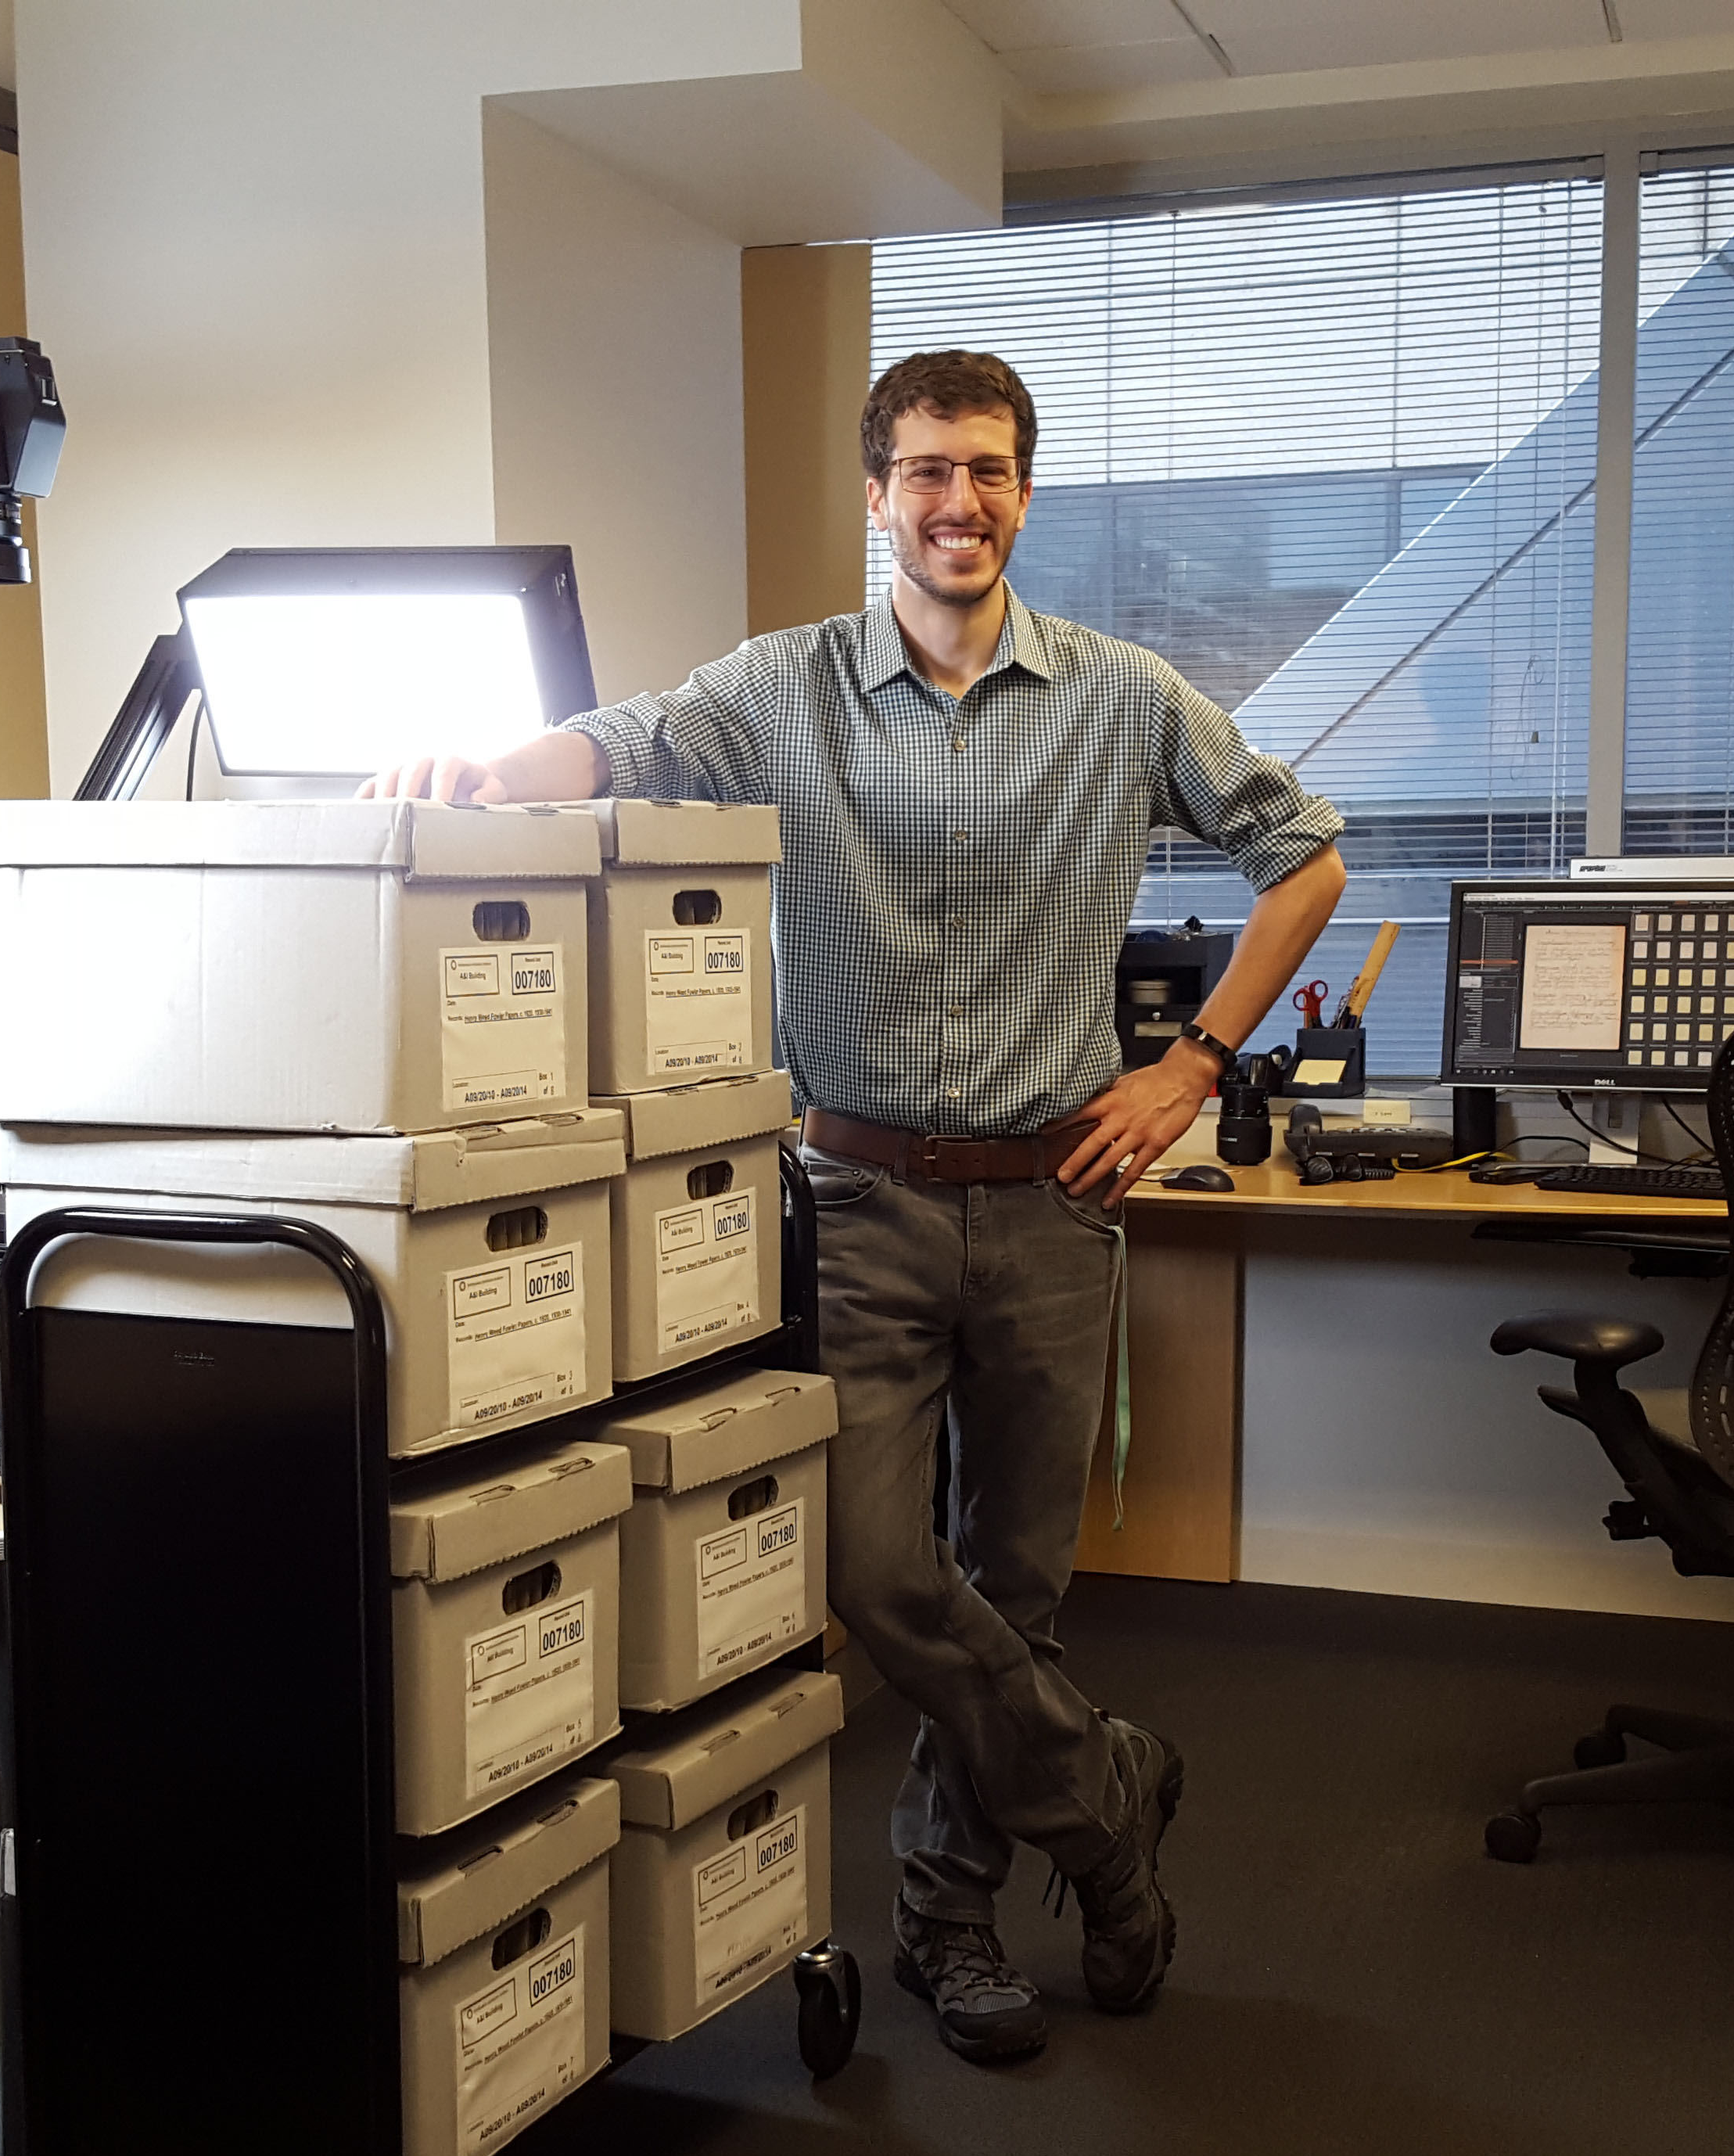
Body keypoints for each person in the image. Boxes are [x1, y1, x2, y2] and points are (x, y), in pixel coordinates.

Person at [368, 350, 1348, 2064]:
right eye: (922, 472)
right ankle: (1103, 1791)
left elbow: (1305, 854)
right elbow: (614, 745)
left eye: (984, 470)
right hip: (855, 1198)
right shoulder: (780, 688)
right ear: (876, 496)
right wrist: (474, 774)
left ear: (1023, 493)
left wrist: (1191, 1065)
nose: (954, 501)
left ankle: (950, 1917)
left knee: (1015, 1588)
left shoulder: (1124, 698)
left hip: (1055, 1196)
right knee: (881, 1571)